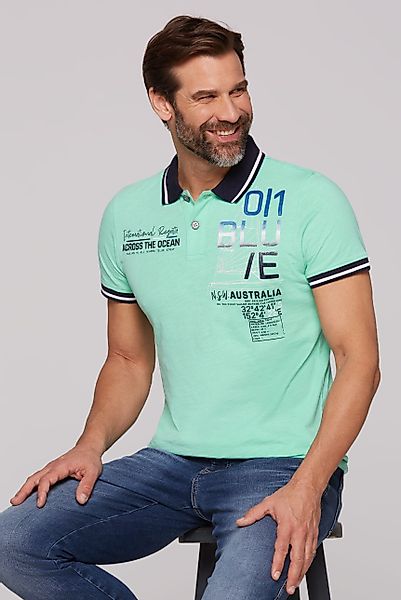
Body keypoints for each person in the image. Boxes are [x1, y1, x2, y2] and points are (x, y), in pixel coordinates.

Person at [0, 14, 380, 600]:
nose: (230, 111)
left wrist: (310, 485)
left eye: (238, 89)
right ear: (162, 103)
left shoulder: (311, 201)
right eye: (206, 97)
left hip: (284, 464)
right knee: (14, 542)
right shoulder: (128, 216)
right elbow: (128, 359)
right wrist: (90, 444)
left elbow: (359, 360)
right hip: (172, 464)